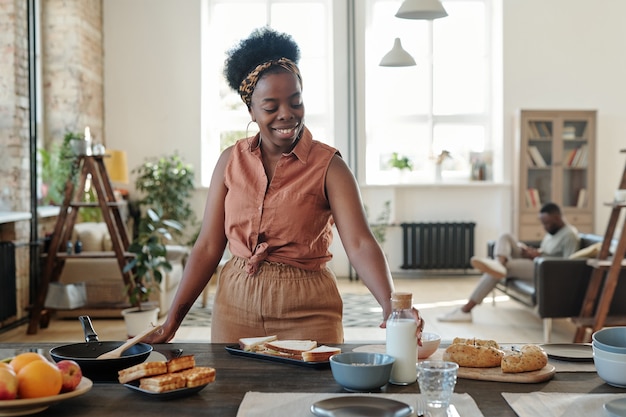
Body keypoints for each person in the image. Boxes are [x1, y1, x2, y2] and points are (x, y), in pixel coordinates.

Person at [148, 27, 423, 344]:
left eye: (296, 102)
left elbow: (361, 244)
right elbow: (208, 246)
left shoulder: (330, 167)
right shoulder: (229, 161)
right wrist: (172, 321)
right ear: (251, 109)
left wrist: (393, 308)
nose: (286, 115)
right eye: (271, 106)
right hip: (235, 308)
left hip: (308, 311)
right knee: (232, 393)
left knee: (310, 394)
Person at [437, 202, 580, 322]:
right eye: (543, 223)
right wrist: (533, 252)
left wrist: (538, 257)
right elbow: (548, 251)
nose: (545, 227)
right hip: (536, 260)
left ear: (557, 217)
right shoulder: (553, 232)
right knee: (505, 237)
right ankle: (499, 262)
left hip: (544, 270)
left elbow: (569, 265)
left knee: (504, 268)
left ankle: (466, 309)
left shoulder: (570, 235)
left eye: (547, 223)